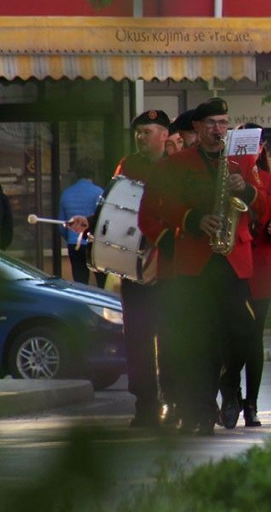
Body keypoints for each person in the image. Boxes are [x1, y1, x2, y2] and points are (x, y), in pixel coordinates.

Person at [138, 98, 265, 435]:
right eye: (210, 123)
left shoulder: (240, 161)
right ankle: (202, 408)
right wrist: (193, 219)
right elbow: (154, 210)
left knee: (244, 333)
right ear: (197, 127)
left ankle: (227, 383)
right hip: (195, 262)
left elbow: (264, 203)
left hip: (233, 261)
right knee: (202, 339)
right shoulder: (174, 165)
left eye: (223, 122)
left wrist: (248, 191)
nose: (217, 129)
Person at [67, 109, 172, 428]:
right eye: (138, 132)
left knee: (170, 337)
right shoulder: (128, 165)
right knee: (138, 338)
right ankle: (145, 404)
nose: (141, 137)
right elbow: (113, 208)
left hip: (168, 266)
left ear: (164, 135)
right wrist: (91, 225)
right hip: (133, 268)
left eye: (148, 131)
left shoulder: (177, 167)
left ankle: (171, 397)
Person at [231, 123, 271, 427]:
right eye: (241, 146)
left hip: (262, 268)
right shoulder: (226, 180)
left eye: (253, 146)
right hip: (231, 266)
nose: (248, 152)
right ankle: (231, 393)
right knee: (230, 337)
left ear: (260, 149)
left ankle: (251, 404)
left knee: (254, 337)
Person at [57, 158, 104, 285]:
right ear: (94, 173)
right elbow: (103, 221)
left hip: (74, 244)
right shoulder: (99, 193)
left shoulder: (66, 193)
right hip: (94, 245)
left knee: (80, 283)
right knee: (102, 283)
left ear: (76, 173)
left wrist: (71, 238)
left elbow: (62, 225)